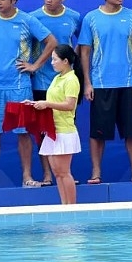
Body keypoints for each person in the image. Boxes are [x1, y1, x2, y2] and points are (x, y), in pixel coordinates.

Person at [0, 0, 57, 189]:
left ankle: (27, 176)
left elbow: (52, 42)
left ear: (14, 0)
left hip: (20, 87)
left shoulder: (27, 20)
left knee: (23, 132)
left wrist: (35, 65)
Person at [78, 0, 132, 183]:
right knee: (98, 133)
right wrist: (87, 83)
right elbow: (85, 52)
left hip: (128, 83)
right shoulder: (91, 18)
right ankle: (96, 173)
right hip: (101, 84)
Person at [30, 0, 82, 186]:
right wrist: (34, 65)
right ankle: (47, 175)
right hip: (42, 83)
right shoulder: (33, 18)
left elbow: (84, 42)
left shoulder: (74, 17)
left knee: (65, 127)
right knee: (44, 130)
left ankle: (66, 173)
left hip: (66, 84)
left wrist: (72, 60)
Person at [25, 44, 81, 204]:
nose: (52, 63)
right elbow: (51, 102)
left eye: (55, 59)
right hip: (52, 130)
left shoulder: (72, 79)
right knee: (57, 173)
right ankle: (64, 206)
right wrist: (34, 104)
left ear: (65, 61)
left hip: (64, 131)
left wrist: (47, 104)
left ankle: (72, 208)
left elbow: (70, 105)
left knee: (64, 172)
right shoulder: (57, 78)